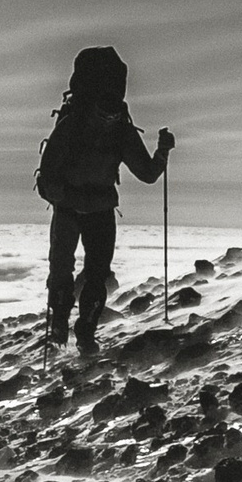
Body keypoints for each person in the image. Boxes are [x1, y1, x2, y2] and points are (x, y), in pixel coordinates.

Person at [34, 45, 172, 349]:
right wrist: (163, 152)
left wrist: (63, 197)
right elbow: (148, 173)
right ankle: (85, 334)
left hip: (68, 209)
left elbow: (47, 176)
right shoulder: (120, 130)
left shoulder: (72, 125)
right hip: (100, 209)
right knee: (96, 275)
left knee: (62, 269)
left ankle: (60, 325)